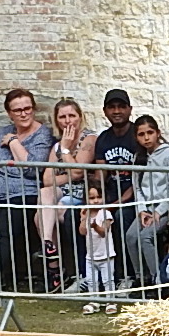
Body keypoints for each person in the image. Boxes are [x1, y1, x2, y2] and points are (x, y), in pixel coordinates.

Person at [0, 88, 56, 291]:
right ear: (9, 113)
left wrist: (14, 142)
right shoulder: (1, 133)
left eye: (27, 108)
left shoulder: (42, 134)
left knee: (5, 227)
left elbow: (33, 170)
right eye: (18, 110)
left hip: (24, 194)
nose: (24, 114)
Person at [38, 98, 98, 280]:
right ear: (57, 120)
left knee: (42, 215)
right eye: (63, 117)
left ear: (80, 117)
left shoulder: (88, 139)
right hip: (62, 192)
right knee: (44, 193)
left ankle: (55, 266)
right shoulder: (57, 145)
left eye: (72, 115)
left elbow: (79, 171)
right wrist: (69, 174)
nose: (68, 121)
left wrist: (65, 150)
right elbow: (47, 179)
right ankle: (49, 245)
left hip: (82, 192)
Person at [126, 115, 169, 287]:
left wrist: (159, 211)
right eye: (142, 134)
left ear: (158, 133)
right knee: (131, 236)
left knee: (146, 236)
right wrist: (142, 209)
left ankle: (158, 278)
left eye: (150, 133)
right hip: (146, 208)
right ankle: (140, 278)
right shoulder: (138, 157)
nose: (147, 138)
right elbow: (137, 187)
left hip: (164, 207)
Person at [92, 88, 139, 263]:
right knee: (77, 217)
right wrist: (95, 201)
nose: (117, 111)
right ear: (105, 111)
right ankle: (87, 271)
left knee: (120, 217)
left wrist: (115, 205)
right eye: (112, 107)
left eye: (121, 106)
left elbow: (138, 180)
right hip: (112, 194)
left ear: (130, 109)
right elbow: (100, 176)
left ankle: (125, 273)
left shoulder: (137, 135)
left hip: (135, 197)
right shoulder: (104, 139)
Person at [76, 184, 118, 314]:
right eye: (92, 198)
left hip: (106, 255)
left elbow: (104, 232)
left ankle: (111, 301)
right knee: (91, 280)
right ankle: (94, 301)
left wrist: (94, 225)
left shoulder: (105, 213)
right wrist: (83, 219)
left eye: (99, 197)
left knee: (107, 280)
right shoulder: (86, 212)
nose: (95, 201)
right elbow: (82, 232)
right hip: (91, 256)